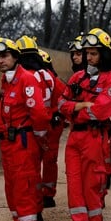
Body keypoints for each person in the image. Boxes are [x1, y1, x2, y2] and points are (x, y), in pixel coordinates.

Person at [58, 27, 111, 221]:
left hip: (94, 139)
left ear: (104, 54)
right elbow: (61, 104)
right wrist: (81, 105)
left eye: (94, 53)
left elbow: (100, 111)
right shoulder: (77, 77)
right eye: (88, 53)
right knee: (74, 192)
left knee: (91, 191)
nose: (90, 57)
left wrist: (79, 107)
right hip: (75, 139)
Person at [0, 37, 50, 221]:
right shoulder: (7, 81)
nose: (1, 61)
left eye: (4, 56)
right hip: (9, 144)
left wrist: (39, 139)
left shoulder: (27, 79)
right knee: (13, 193)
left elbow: (40, 115)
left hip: (24, 144)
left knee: (24, 193)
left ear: (15, 57)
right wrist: (0, 129)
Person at [15, 35, 55, 221]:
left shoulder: (23, 77)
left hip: (29, 132)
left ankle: (35, 216)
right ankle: (36, 213)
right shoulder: (48, 75)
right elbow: (61, 97)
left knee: (29, 178)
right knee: (37, 174)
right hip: (46, 128)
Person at [38, 49, 67, 208]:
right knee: (47, 160)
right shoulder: (53, 79)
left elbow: (64, 100)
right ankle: (45, 194)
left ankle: (48, 194)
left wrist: (57, 115)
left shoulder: (53, 80)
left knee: (48, 159)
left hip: (52, 125)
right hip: (46, 123)